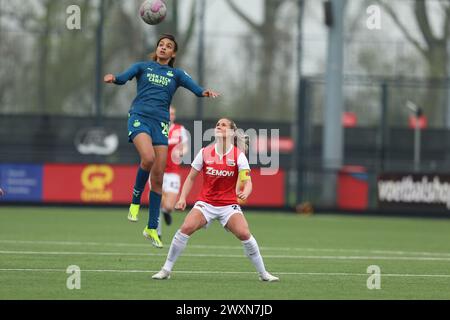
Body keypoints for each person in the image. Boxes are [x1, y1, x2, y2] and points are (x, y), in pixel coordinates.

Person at [104, 34, 219, 248]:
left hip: (161, 124)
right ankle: (135, 203)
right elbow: (123, 77)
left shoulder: (176, 74)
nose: (163, 48)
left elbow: (195, 88)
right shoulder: (142, 67)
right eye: (161, 45)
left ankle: (151, 228)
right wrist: (114, 78)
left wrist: (205, 92)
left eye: (168, 46)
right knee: (147, 158)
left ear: (173, 53)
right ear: (156, 49)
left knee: (158, 177)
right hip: (139, 117)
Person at [152, 118, 279, 282]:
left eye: (224, 125)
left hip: (228, 205)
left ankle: (263, 273)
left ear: (232, 132)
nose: (219, 126)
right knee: (186, 227)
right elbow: (191, 178)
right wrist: (182, 198)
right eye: (218, 124)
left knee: (244, 234)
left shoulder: (238, 156)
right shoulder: (205, 152)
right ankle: (166, 269)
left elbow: (247, 181)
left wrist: (246, 192)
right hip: (206, 203)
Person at [151, 105, 189, 239]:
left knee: (168, 206)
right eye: (168, 113)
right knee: (158, 201)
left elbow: (185, 147)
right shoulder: (155, 129)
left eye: (173, 114)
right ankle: (157, 232)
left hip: (173, 173)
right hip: (157, 172)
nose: (170, 116)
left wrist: (181, 152)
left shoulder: (180, 130)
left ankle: (167, 212)